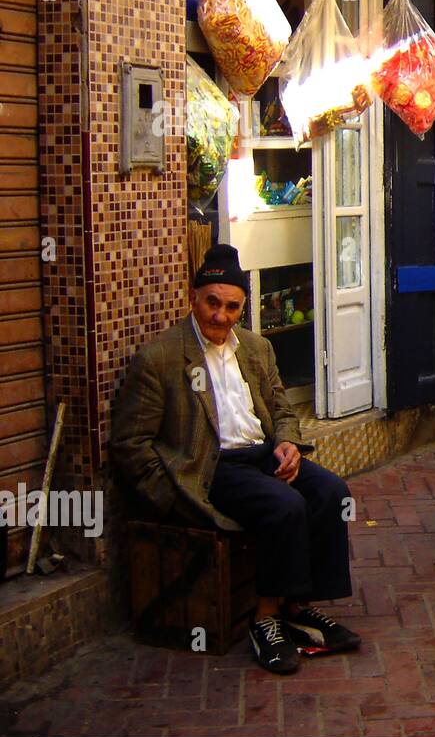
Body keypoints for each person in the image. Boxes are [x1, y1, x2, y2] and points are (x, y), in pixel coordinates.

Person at [110, 244, 359, 676]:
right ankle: (264, 620)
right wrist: (170, 499)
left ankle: (297, 607)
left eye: (231, 307)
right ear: (193, 298)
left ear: (242, 307)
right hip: (210, 468)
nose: (220, 316)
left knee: (331, 491)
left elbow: (282, 409)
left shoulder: (257, 349)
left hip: (261, 455)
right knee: (284, 506)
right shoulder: (162, 358)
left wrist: (288, 444)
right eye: (212, 303)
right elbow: (130, 443)